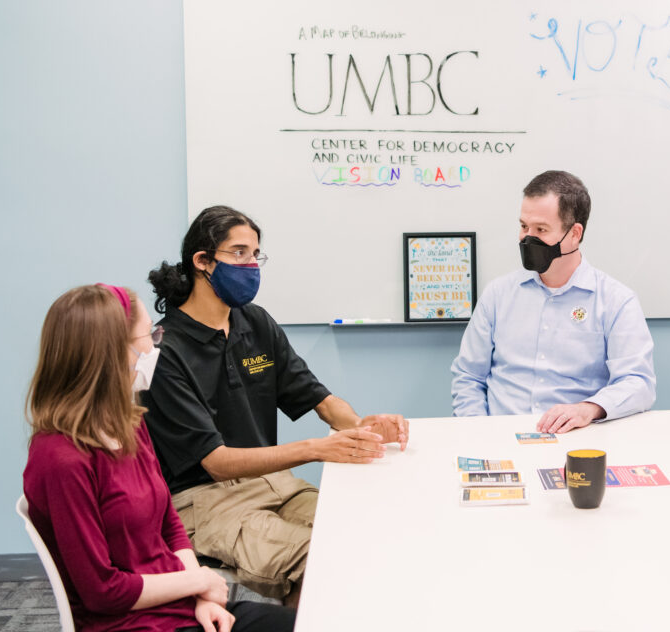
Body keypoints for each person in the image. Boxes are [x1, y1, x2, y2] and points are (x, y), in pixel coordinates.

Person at [143, 205, 409, 604]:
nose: (250, 265)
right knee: (317, 564)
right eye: (238, 253)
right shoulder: (164, 350)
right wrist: (317, 449)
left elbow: (316, 397)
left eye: (255, 254)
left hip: (275, 485)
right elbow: (215, 462)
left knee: (366, 535)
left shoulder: (255, 322)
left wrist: (359, 426)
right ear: (202, 261)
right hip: (204, 499)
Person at [24, 283, 295, 632]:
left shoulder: (128, 424)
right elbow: (103, 592)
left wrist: (201, 596)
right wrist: (197, 583)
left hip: (177, 607)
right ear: (109, 353)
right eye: (147, 336)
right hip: (130, 623)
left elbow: (168, 523)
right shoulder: (62, 459)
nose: (155, 345)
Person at [450, 170, 656, 433]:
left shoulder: (616, 301)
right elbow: (468, 377)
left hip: (578, 440)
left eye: (541, 229)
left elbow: (639, 383)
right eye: (524, 226)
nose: (527, 238)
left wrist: (588, 408)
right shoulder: (498, 294)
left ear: (574, 234)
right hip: (500, 438)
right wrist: (478, 431)